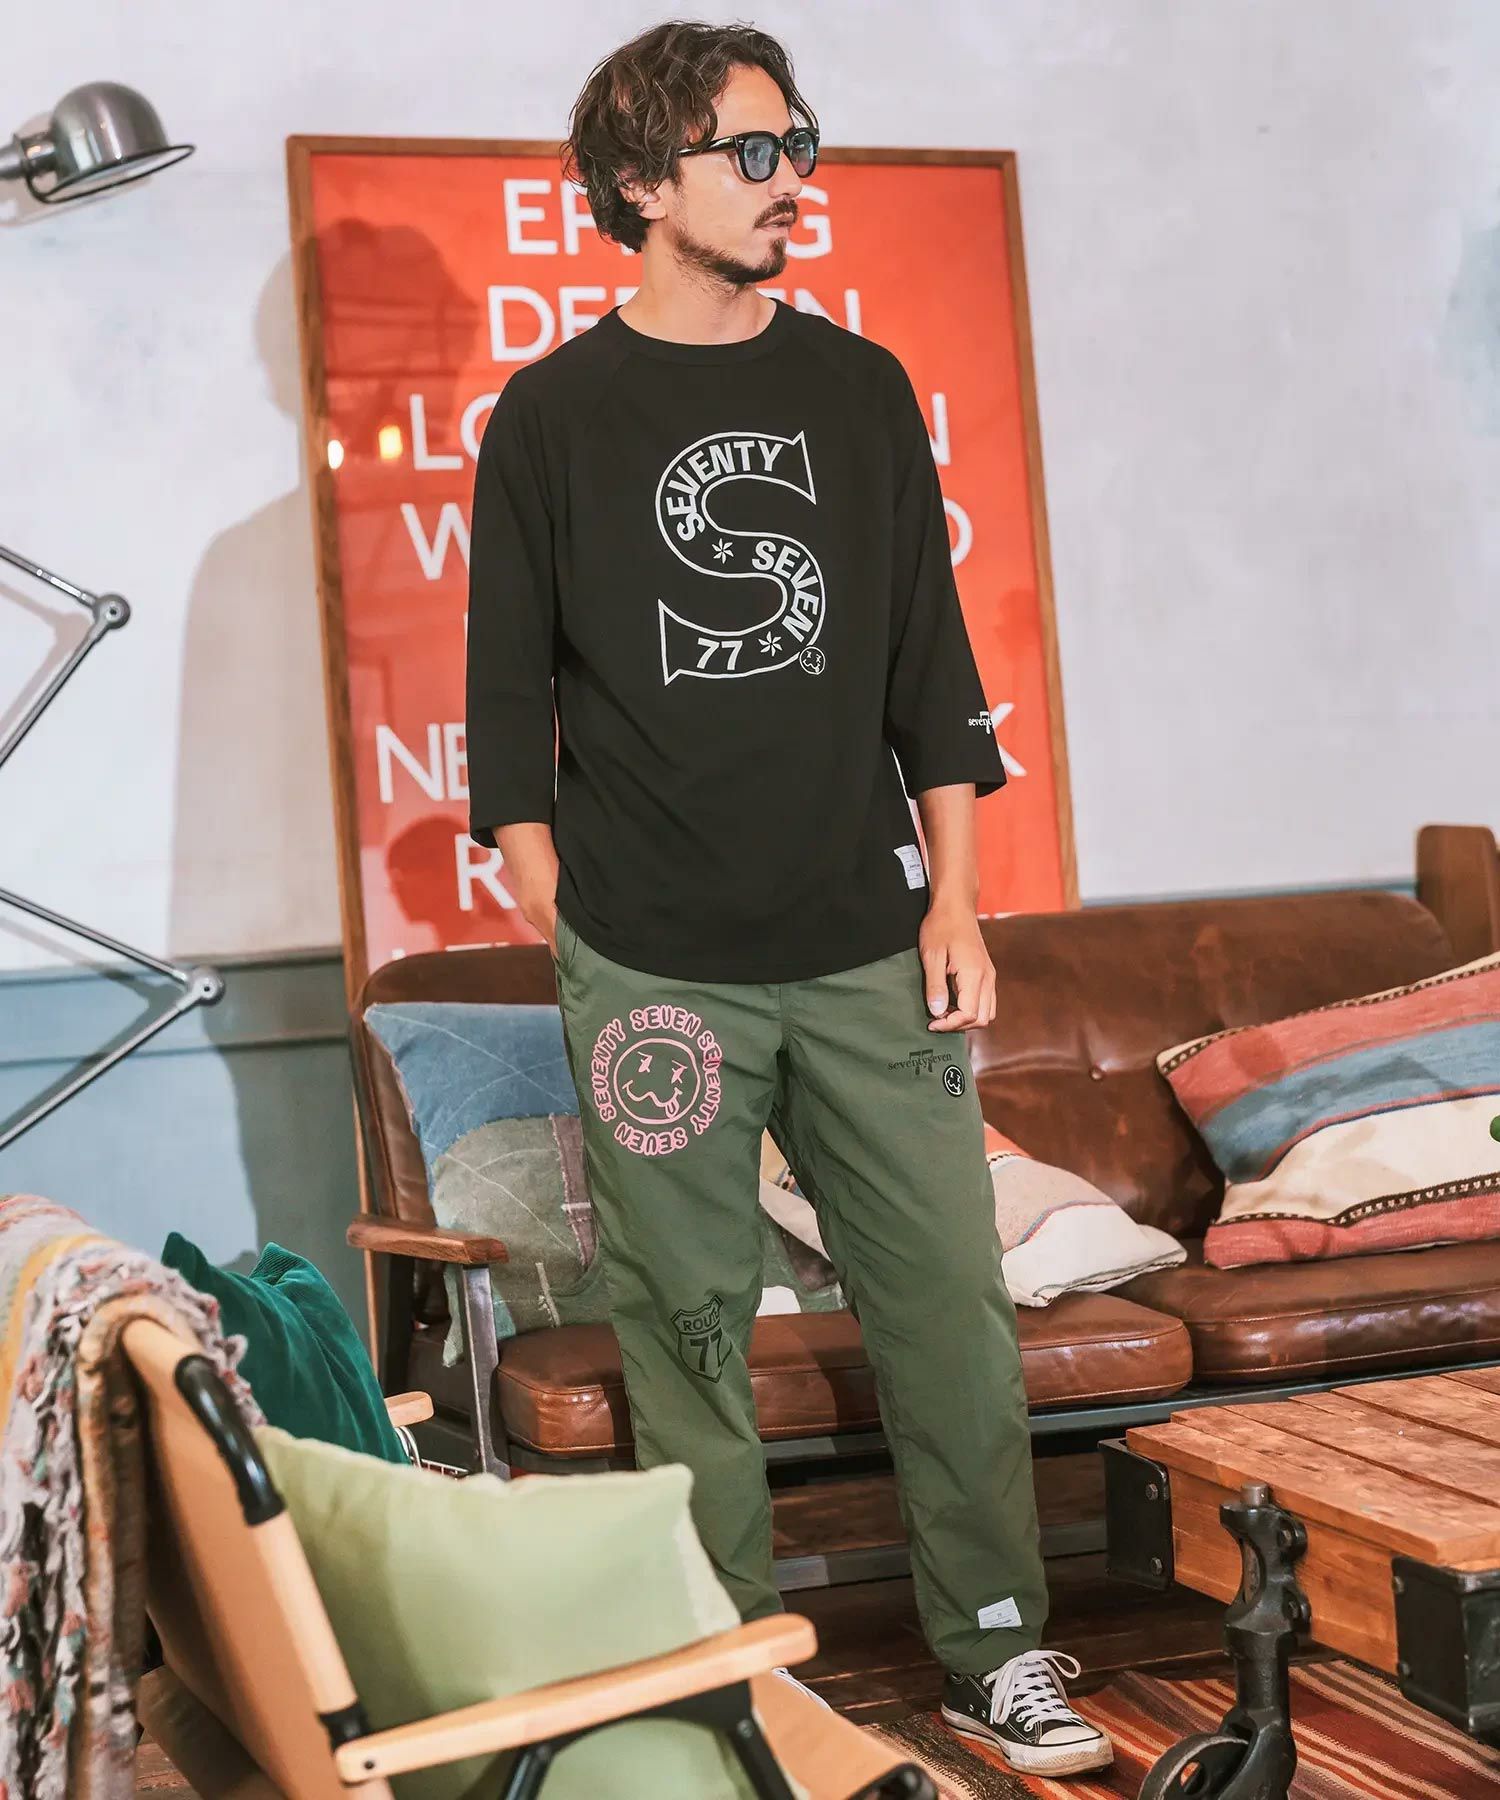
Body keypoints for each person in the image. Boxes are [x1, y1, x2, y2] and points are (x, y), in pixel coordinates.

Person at [463, 19, 1112, 1780]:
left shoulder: (858, 389)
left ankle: (999, 1649)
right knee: (687, 1336)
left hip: (865, 948)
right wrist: (569, 919)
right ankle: (729, 1681)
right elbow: (507, 706)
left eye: (798, 143)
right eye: (752, 152)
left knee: (949, 1311)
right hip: (650, 964)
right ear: (641, 182)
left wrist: (957, 901)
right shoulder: (551, 417)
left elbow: (930, 667)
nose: (791, 180)